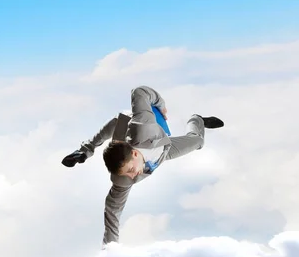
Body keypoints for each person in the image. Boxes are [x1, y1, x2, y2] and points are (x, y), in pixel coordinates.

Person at [61, 85, 224, 246]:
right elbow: (112, 214)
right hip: (152, 151)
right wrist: (109, 254)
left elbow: (139, 91)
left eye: (131, 169)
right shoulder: (122, 179)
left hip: (159, 144)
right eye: (127, 174)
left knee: (197, 141)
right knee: (117, 130)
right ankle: (84, 152)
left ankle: (196, 119)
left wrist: (161, 105)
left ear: (135, 153)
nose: (133, 176)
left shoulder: (142, 128)